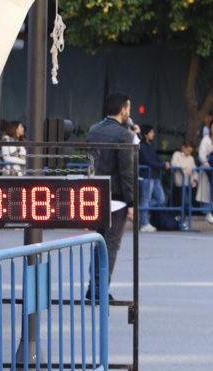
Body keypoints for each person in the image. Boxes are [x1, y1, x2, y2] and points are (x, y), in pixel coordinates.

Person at [85, 91, 137, 299]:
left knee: (98, 241)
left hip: (95, 193)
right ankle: (100, 289)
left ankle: (93, 287)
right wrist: (131, 201)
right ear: (123, 110)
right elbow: (127, 171)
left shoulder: (94, 130)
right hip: (116, 196)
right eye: (129, 108)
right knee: (111, 244)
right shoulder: (124, 135)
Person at [137, 124, 171, 232]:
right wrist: (162, 165)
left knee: (160, 198)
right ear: (146, 134)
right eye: (151, 132)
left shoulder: (150, 145)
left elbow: (155, 158)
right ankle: (144, 223)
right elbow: (147, 161)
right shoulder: (141, 146)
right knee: (145, 199)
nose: (153, 134)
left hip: (154, 176)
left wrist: (163, 163)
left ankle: (140, 209)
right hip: (146, 176)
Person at [171, 139, 199, 211]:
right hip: (180, 184)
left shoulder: (191, 158)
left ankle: (182, 220)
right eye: (187, 150)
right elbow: (174, 164)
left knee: (187, 204)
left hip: (188, 184)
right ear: (183, 147)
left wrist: (195, 180)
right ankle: (180, 220)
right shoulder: (177, 154)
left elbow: (195, 170)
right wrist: (184, 167)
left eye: (190, 151)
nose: (189, 152)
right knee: (184, 203)